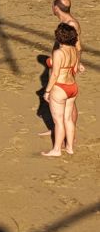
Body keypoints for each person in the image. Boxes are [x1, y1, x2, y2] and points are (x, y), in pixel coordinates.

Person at [42, 22, 81, 157]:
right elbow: (75, 69)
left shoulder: (59, 52)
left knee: (58, 121)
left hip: (60, 88)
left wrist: (47, 91)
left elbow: (55, 74)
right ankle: (69, 147)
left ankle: (57, 149)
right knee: (68, 119)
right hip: (73, 86)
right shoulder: (74, 50)